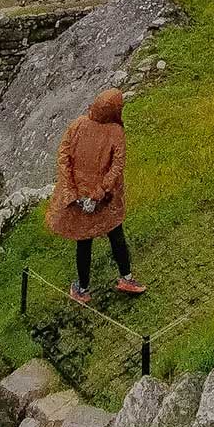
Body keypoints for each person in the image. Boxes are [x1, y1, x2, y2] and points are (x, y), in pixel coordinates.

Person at [46, 89, 147, 303]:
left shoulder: (77, 125)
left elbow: (64, 158)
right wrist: (99, 194)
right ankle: (126, 278)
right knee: (116, 235)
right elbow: (117, 167)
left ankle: (82, 289)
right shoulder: (116, 132)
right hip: (104, 200)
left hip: (80, 197)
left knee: (84, 243)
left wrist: (73, 193)